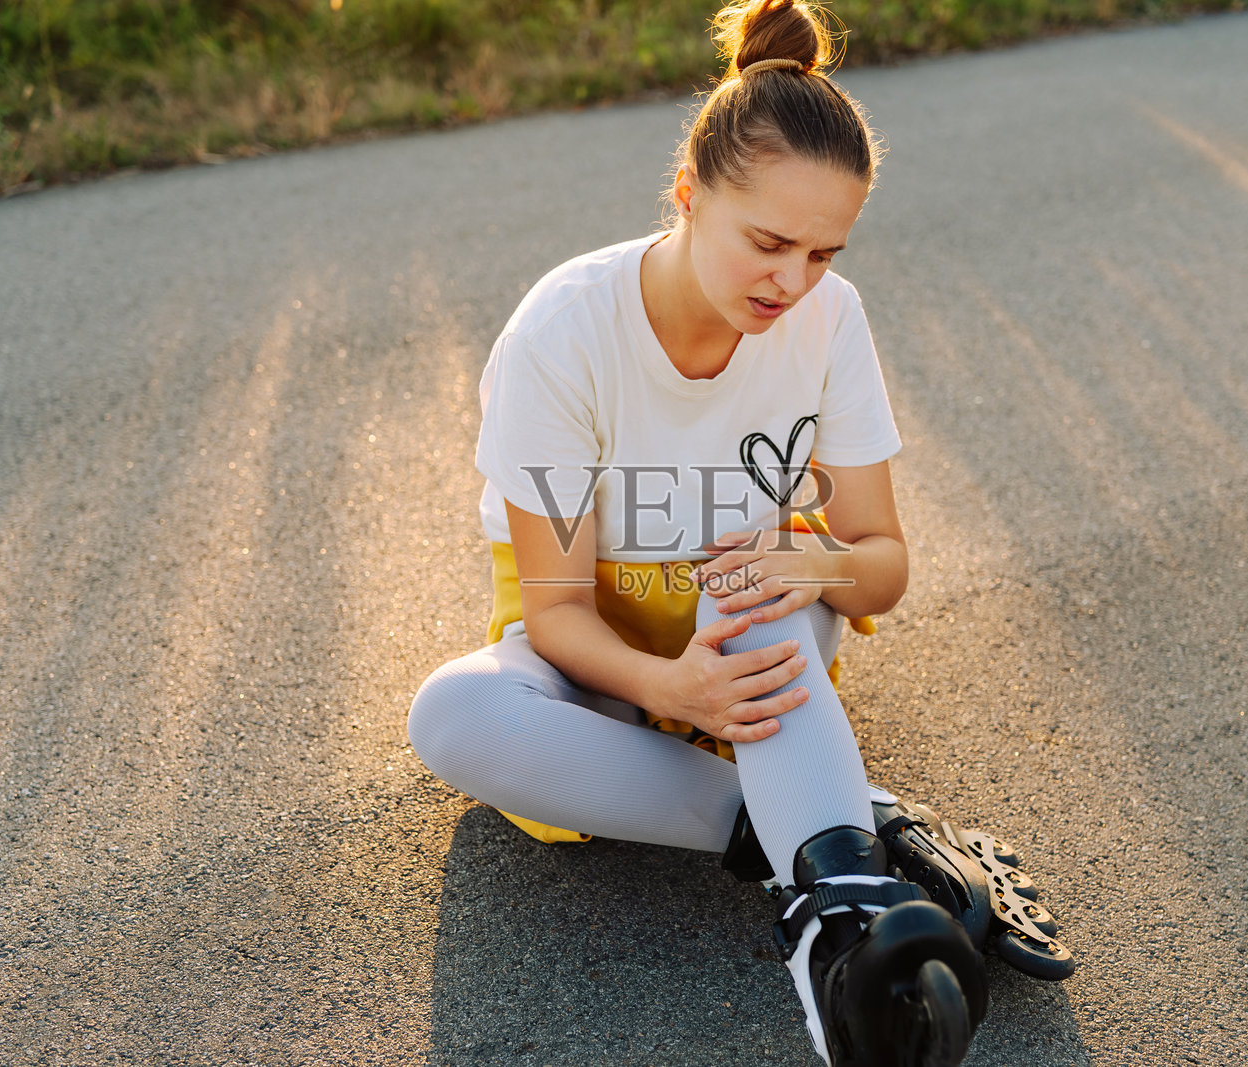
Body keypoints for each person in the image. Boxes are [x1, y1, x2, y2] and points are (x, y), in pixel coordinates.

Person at [408, 2, 1070, 1062]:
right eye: (767, 242)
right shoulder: (564, 332)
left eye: (822, 251)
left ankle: (846, 946)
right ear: (686, 194)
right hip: (606, 660)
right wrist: (670, 690)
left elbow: (879, 566)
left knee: (748, 567)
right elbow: (560, 613)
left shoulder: (829, 315)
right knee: (451, 713)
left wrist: (807, 556)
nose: (792, 281)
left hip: (753, 641)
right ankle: (862, 825)